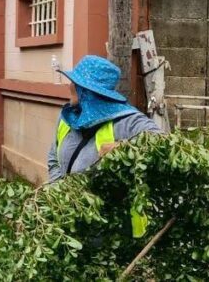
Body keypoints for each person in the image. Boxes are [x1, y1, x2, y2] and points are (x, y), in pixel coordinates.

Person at [47, 55, 164, 237]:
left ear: (87, 91)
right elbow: (53, 158)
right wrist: (61, 194)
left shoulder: (127, 121)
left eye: (75, 83)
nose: (69, 86)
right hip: (70, 220)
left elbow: (163, 146)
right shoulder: (68, 118)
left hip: (112, 229)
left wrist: (124, 148)